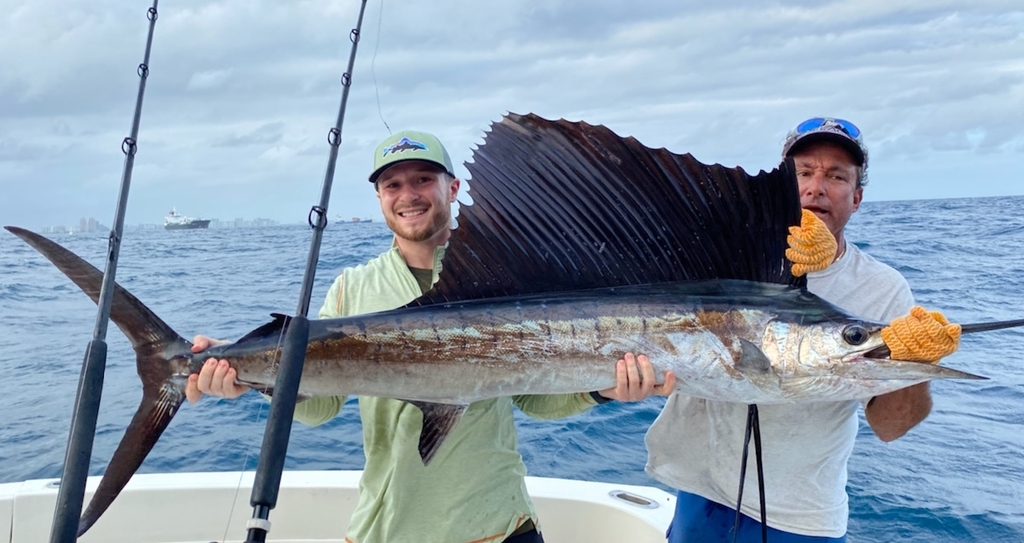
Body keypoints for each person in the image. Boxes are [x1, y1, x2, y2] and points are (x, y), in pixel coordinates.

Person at [184, 130, 677, 543]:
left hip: (501, 524)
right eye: (393, 184)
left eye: (423, 179)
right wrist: (243, 379)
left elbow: (534, 399)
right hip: (388, 528)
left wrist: (600, 389)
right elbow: (320, 407)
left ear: (453, 186)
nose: (409, 194)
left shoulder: (500, 279)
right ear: (379, 198)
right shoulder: (352, 287)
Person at [644, 117, 962, 542]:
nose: (817, 188)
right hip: (699, 494)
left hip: (800, 516)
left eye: (836, 176)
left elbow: (891, 427)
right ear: (781, 189)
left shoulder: (883, 290)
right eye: (804, 173)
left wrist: (917, 363)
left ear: (857, 197)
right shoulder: (724, 261)